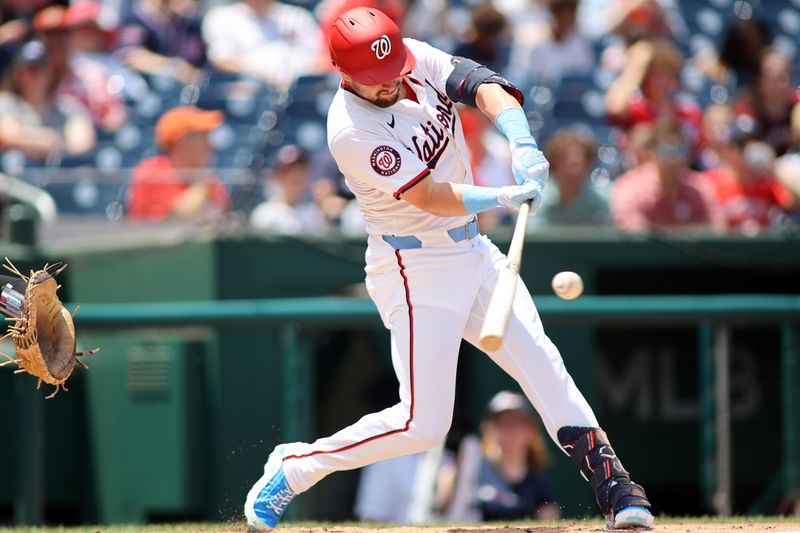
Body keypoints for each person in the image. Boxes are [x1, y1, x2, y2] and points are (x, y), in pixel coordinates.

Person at [243, 7, 654, 531]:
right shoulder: (349, 129)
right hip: (414, 266)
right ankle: (296, 467)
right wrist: (502, 193)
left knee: (544, 365)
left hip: (473, 250)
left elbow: (482, 85)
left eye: (393, 70)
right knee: (423, 424)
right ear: (346, 76)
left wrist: (520, 139)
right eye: (376, 80)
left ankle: (616, 487)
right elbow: (429, 195)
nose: (391, 82)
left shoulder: (411, 56)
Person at [127, 105, 230, 221]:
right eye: (202, 136)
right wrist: (202, 182)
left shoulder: (208, 179)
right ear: (182, 141)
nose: (209, 144)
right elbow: (180, 217)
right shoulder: (152, 172)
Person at [611, 122, 719, 232]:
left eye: (680, 150)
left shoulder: (700, 188)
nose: (674, 158)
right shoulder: (631, 188)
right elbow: (634, 234)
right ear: (653, 153)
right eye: (667, 150)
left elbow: (716, 229)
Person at [0, 39, 95, 161]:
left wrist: (37, 140)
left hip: (58, 176)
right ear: (18, 74)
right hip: (17, 176)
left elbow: (82, 143)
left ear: (51, 73)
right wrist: (53, 140)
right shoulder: (6, 102)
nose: (35, 76)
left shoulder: (65, 105)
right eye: (29, 70)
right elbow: (9, 135)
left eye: (40, 69)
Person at [201, 0, 322, 90]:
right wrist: (264, 76)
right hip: (248, 99)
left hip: (298, 96)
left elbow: (319, 60)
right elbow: (223, 61)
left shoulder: (298, 16)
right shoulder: (220, 17)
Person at [530, 126, 610, 228]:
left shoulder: (602, 200)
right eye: (565, 163)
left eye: (577, 165)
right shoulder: (538, 199)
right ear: (554, 164)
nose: (572, 172)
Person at [509, 0, 594, 87]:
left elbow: (584, 74)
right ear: (555, 14)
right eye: (564, 13)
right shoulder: (536, 42)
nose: (569, 18)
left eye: (572, 12)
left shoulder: (580, 42)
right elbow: (529, 78)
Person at [249, 145, 330, 236]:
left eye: (301, 171)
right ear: (279, 177)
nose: (297, 175)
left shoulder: (313, 214)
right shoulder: (265, 213)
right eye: (289, 172)